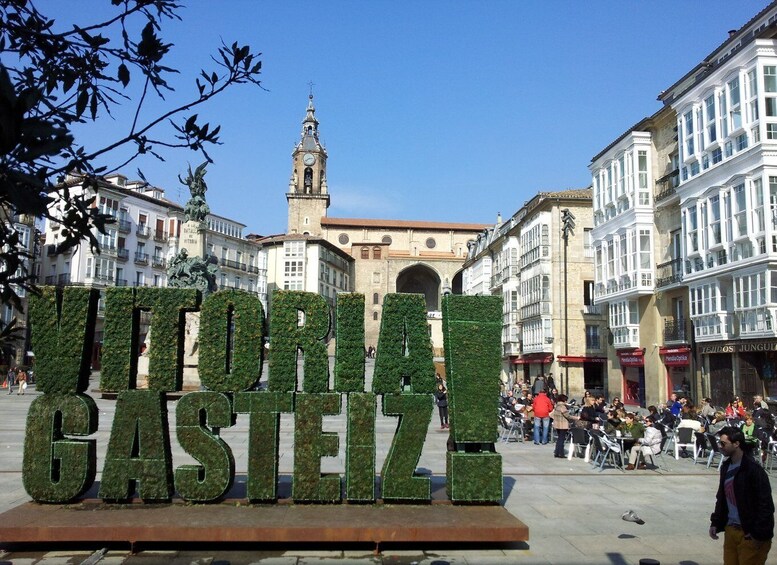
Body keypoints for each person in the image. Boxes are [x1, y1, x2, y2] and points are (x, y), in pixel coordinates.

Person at [709, 426, 774, 564]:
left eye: (724, 443)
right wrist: (716, 522)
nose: (720, 447)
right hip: (731, 530)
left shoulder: (753, 470)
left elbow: (765, 504)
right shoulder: (726, 466)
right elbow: (722, 497)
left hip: (750, 533)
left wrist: (757, 534)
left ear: (736, 444)